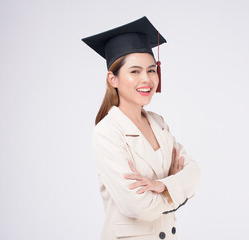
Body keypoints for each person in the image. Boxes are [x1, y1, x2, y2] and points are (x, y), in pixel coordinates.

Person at [82, 16, 201, 240]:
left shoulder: (158, 122)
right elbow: (137, 207)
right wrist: (175, 186)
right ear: (113, 79)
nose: (146, 79)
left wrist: (160, 185)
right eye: (134, 71)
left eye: (151, 70)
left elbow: (194, 172)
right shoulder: (107, 132)